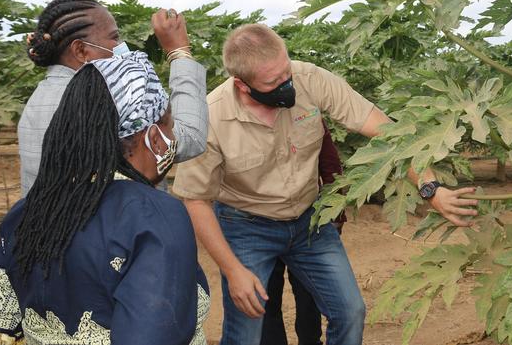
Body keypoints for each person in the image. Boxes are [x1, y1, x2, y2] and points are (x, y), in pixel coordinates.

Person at [173, 23, 478, 345]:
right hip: (247, 226)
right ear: (242, 85)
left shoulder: (311, 79)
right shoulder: (211, 117)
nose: (286, 85)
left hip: (310, 221)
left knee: (350, 312)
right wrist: (233, 271)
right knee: (246, 331)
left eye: (286, 72)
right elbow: (196, 200)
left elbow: (389, 131)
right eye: (273, 82)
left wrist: (430, 188)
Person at [0, 52, 209, 344]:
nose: (172, 138)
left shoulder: (28, 211)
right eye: (169, 126)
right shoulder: (155, 216)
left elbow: (3, 322)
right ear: (154, 138)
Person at [18, 0, 207, 195]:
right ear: (81, 51)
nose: (120, 46)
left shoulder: (36, 102)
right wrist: (178, 51)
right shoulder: (108, 102)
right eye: (114, 37)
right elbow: (190, 138)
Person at [261, 120, 346, 345]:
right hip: (261, 223)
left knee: (304, 293)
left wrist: (334, 214)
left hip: (303, 221)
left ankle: (310, 341)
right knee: (270, 297)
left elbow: (330, 166)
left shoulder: (308, 117)